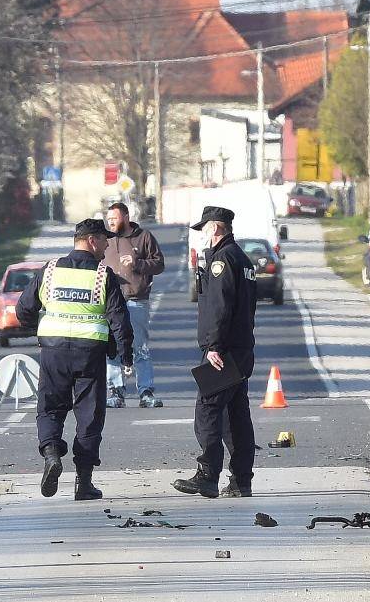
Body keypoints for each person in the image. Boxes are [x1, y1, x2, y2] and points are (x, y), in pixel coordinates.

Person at [15, 218, 133, 501]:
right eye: (104, 240)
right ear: (92, 240)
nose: (107, 246)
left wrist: (40, 329)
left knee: (50, 407)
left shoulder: (51, 270)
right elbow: (119, 320)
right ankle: (84, 482)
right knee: (89, 415)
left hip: (53, 351)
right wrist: (125, 353)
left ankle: (52, 454)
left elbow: (23, 309)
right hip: (90, 353)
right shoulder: (103, 274)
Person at [173, 206, 258, 499]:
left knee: (208, 410)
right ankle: (241, 481)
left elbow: (219, 308)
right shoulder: (242, 259)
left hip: (223, 350)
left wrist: (213, 346)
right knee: (236, 415)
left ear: (216, 229)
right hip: (242, 349)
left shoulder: (222, 260)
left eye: (204, 230)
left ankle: (207, 474)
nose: (201, 236)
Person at [101, 201, 165, 409]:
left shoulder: (143, 237)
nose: (110, 223)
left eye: (114, 219)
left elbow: (159, 264)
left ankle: (145, 391)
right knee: (112, 347)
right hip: (110, 303)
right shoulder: (106, 240)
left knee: (140, 347)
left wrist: (138, 264)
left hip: (136, 301)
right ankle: (115, 390)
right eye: (108, 219)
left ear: (126, 217)